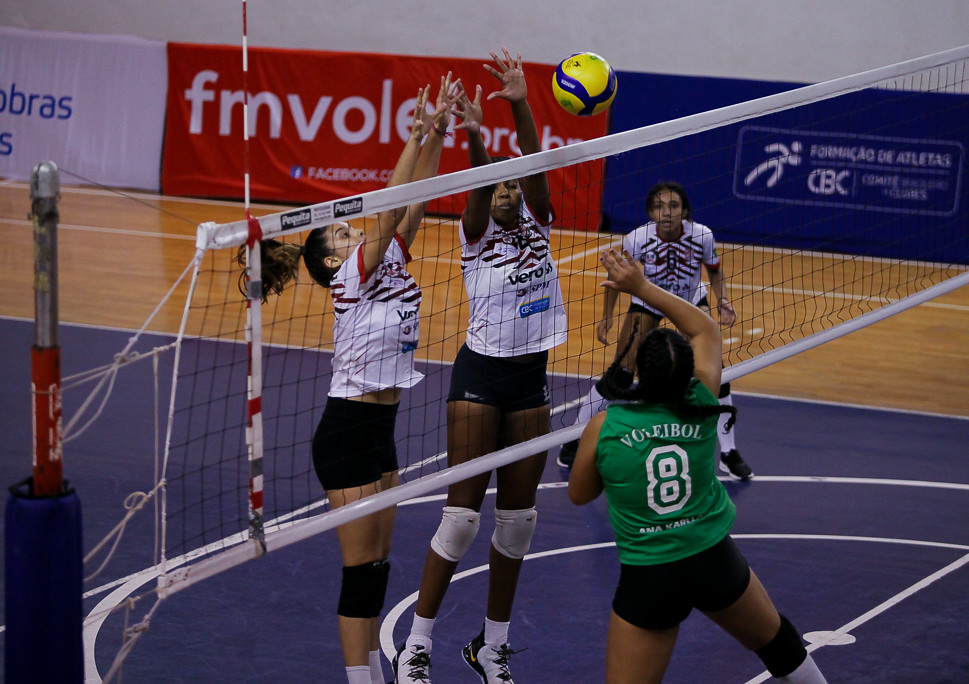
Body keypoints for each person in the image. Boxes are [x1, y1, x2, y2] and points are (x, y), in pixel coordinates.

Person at [246, 76, 457, 684]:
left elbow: (415, 200)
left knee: (381, 565)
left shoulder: (386, 257)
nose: (352, 230)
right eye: (341, 233)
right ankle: (358, 679)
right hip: (346, 432)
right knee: (359, 568)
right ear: (332, 262)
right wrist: (411, 134)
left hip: (381, 429)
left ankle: (371, 673)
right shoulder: (350, 279)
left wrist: (436, 132)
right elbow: (388, 211)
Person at [567, 248, 827, 684]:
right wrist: (643, 287)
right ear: (688, 375)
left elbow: (579, 494)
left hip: (650, 576)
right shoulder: (703, 402)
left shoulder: (604, 427)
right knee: (780, 644)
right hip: (712, 560)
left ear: (639, 375)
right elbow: (704, 327)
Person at [393, 49, 566, 684]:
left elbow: (534, 165)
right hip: (479, 376)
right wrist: (471, 135)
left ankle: (492, 648)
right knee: (462, 519)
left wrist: (520, 100)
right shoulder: (473, 231)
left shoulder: (540, 225)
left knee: (517, 526)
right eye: (497, 186)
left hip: (530, 379)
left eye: (512, 187)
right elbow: (480, 182)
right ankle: (418, 644)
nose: (505, 192)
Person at [558, 181, 753, 481]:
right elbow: (615, 275)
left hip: (689, 300)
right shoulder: (637, 238)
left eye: (673, 206)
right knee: (620, 374)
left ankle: (728, 452)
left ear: (684, 211)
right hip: (648, 299)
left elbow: (714, 269)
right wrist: (606, 317)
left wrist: (722, 298)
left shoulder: (702, 235)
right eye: (659, 206)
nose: (666, 213)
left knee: (717, 373)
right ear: (651, 211)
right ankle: (573, 439)